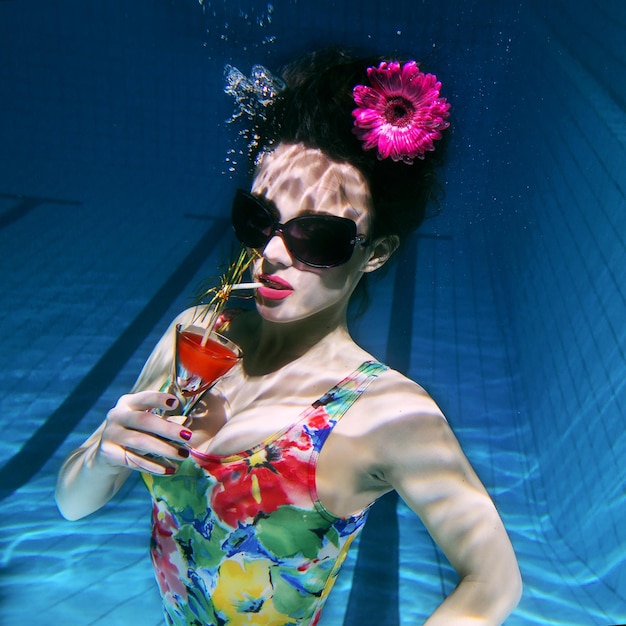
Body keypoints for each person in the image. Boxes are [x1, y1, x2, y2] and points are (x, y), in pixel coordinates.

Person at [56, 49, 522, 625]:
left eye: (317, 239)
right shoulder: (197, 334)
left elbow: (495, 580)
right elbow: (72, 505)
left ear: (375, 254)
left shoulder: (386, 413)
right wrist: (105, 452)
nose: (272, 255)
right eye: (259, 219)